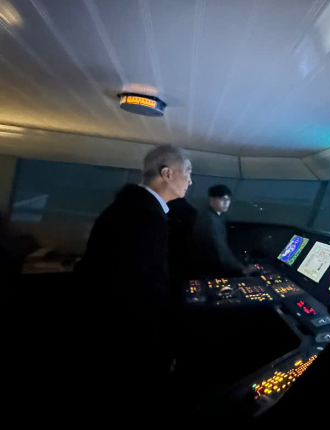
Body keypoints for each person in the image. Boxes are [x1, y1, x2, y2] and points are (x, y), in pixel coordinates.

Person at [75, 144, 192, 424]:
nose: (191, 180)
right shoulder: (144, 215)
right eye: (187, 172)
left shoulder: (134, 207)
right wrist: (164, 346)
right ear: (167, 173)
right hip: (127, 342)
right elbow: (141, 288)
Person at [193, 185, 253, 277]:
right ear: (211, 199)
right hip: (211, 270)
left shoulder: (213, 216)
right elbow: (221, 250)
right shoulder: (210, 220)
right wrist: (242, 269)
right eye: (223, 199)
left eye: (228, 200)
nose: (226, 203)